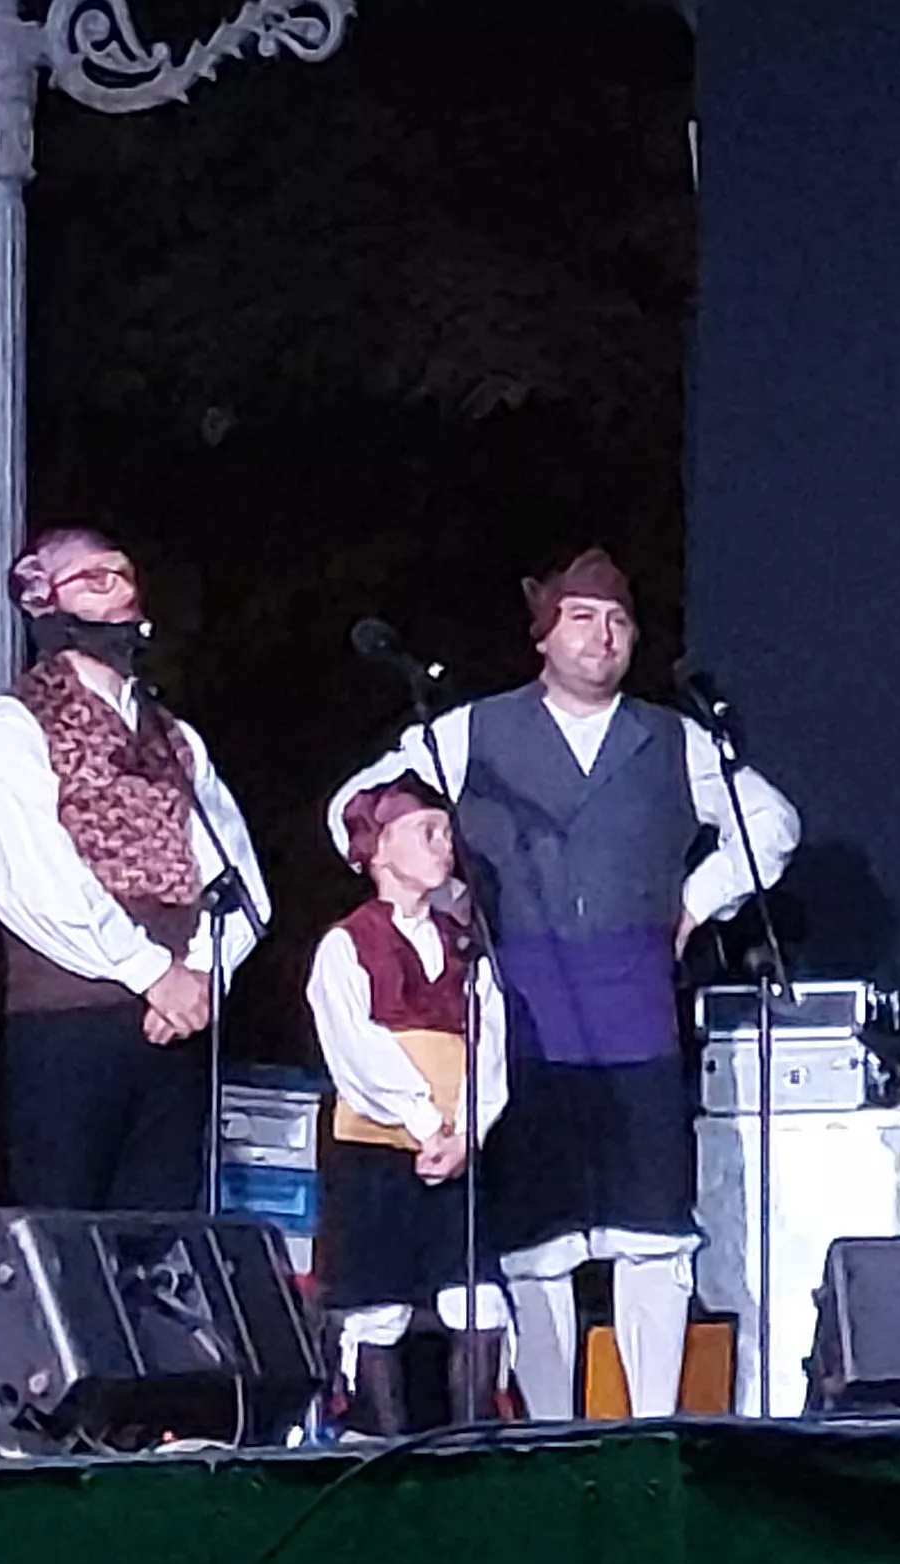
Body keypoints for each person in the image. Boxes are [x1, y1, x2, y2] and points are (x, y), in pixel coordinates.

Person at [329, 549, 796, 1423]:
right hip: (523, 1009)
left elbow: (770, 823)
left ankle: (650, 1426)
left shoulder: (672, 737)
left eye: (618, 621)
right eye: (581, 618)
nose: (602, 636)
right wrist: (434, 887)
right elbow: (360, 805)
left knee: (652, 1235)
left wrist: (697, 900)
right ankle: (550, 1433)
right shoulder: (473, 731)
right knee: (536, 1242)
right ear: (544, 635)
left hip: (634, 1009)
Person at [0, 526, 271, 1211]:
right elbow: (31, 880)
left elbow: (237, 877)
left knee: (160, 1237)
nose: (121, 594)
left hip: (178, 1017)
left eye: (125, 576)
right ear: (41, 600)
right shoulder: (8, 729)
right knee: (64, 1232)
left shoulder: (174, 736)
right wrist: (153, 973)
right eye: (95, 579)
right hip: (70, 1019)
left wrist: (202, 976)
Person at [307, 775, 512, 1432]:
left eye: (445, 831)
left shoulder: (464, 944)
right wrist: (425, 1123)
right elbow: (356, 1050)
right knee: (377, 1305)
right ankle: (381, 1448)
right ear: (378, 848)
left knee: (477, 1301)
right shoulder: (349, 945)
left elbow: (491, 1046)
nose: (442, 844)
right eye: (424, 830)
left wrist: (468, 1132)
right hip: (379, 1156)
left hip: (454, 1152)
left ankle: (474, 1450)